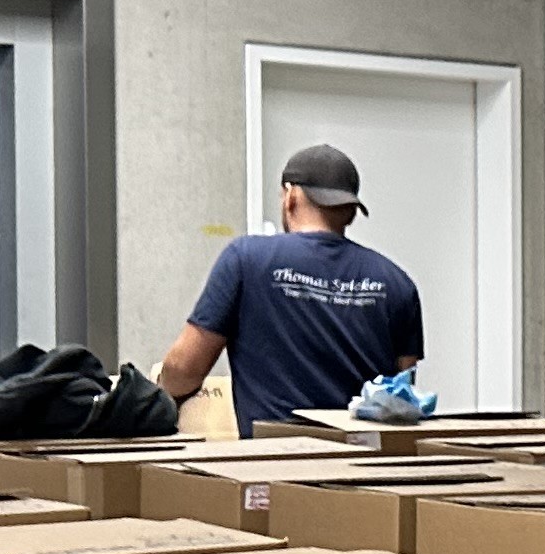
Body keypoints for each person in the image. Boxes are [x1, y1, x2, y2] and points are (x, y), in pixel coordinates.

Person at [161, 141, 425, 430]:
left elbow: (185, 370)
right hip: (365, 467)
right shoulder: (397, 283)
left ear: (290, 197)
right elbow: (400, 398)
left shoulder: (246, 259)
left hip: (279, 464)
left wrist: (159, 394)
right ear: (350, 211)